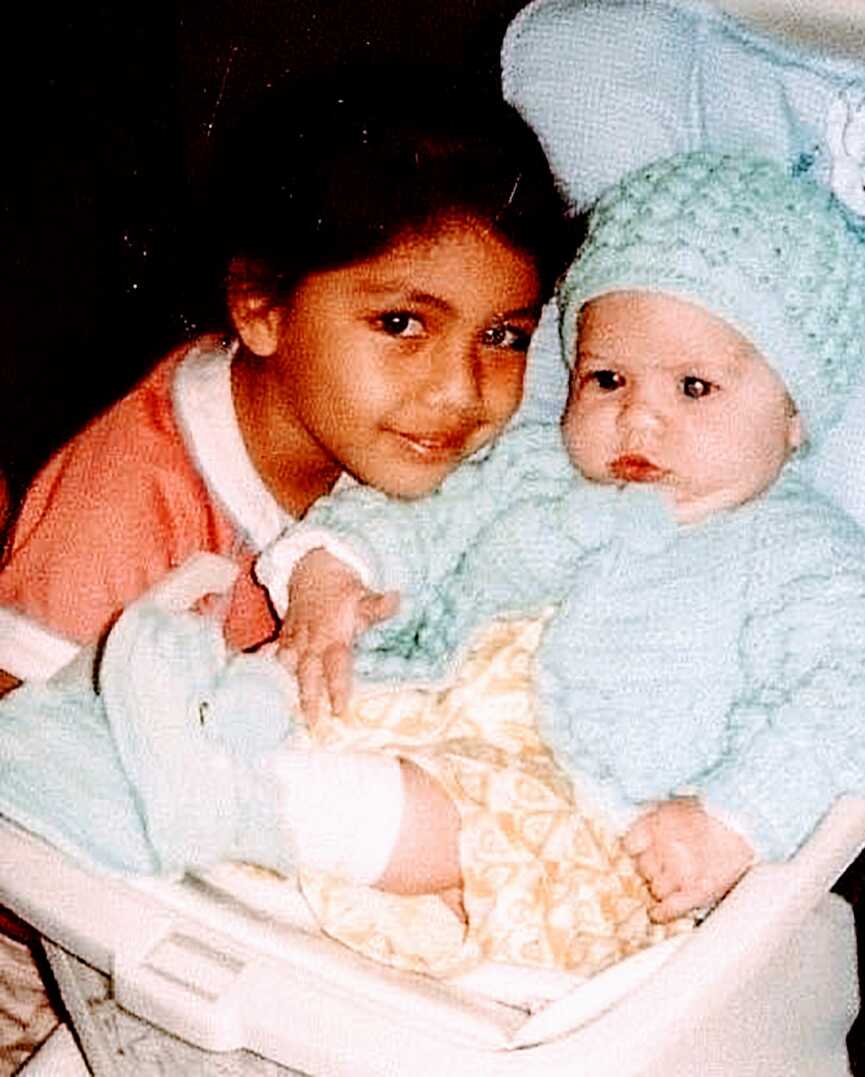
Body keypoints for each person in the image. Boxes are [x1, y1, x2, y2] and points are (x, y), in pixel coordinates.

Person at [0, 65, 572, 1066]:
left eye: (504, 336)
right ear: (260, 307)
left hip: (280, 884)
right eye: (403, 323)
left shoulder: (418, 447)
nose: (462, 389)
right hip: (57, 942)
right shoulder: (122, 511)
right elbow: (22, 792)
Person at [252, 150, 865, 924]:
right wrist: (336, 570)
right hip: (426, 712)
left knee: (464, 823)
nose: (638, 417)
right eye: (607, 379)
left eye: (694, 387)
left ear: (795, 416)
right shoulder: (533, 463)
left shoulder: (805, 557)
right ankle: (221, 763)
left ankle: (297, 809)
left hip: (597, 817)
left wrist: (731, 817)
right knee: (283, 692)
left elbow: (856, 694)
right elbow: (417, 511)